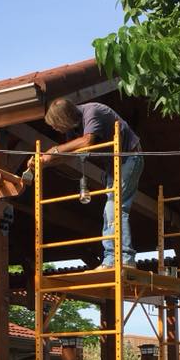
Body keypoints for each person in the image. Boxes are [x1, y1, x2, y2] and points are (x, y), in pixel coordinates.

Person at [33, 98, 144, 267]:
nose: (55, 128)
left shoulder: (93, 111)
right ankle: (111, 258)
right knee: (109, 211)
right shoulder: (73, 129)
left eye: (56, 124)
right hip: (113, 166)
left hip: (130, 158)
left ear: (64, 119)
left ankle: (124, 257)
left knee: (115, 207)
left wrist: (53, 150)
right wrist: (43, 162)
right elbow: (68, 155)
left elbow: (87, 141)